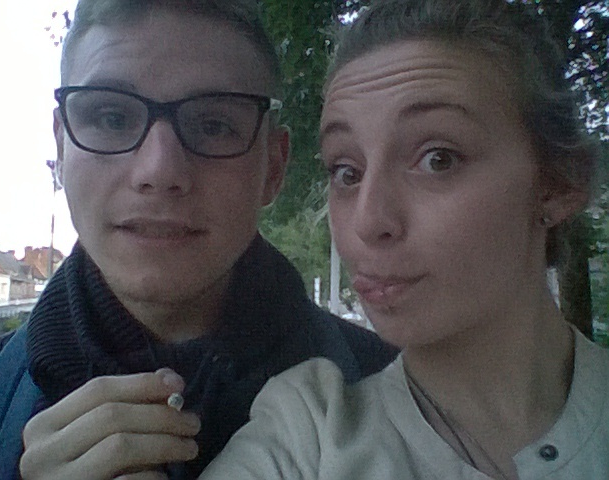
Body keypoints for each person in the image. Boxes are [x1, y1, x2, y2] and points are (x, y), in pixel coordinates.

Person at [0, 1, 397, 478]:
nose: (159, 170)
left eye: (213, 125)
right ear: (61, 149)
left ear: (273, 167)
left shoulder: (416, 409)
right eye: (111, 118)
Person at [199, 0, 609, 479]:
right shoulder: (305, 436)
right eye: (346, 172)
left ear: (559, 182)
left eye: (438, 159)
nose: (367, 221)